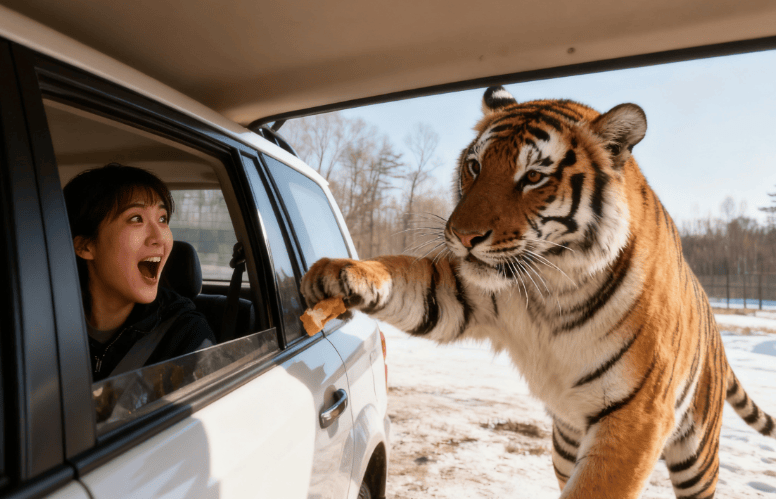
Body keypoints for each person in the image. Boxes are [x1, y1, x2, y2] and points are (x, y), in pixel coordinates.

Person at [64, 163, 215, 382]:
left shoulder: (187, 335)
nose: (159, 237)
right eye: (136, 218)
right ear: (86, 246)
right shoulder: (41, 324)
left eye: (162, 219)